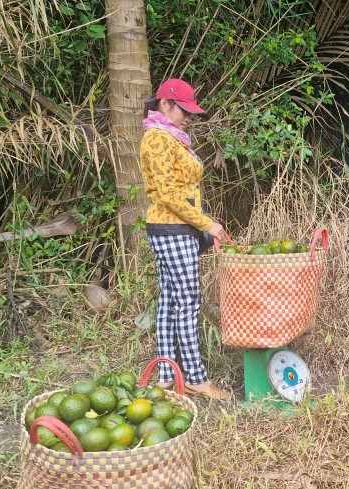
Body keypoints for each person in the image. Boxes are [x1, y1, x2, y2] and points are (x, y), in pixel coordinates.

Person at [140, 78, 230, 400]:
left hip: (172, 229)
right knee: (189, 302)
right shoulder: (158, 139)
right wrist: (209, 225)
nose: (189, 117)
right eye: (184, 110)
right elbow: (167, 194)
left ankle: (166, 376)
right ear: (164, 104)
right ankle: (195, 378)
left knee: (170, 300)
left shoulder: (170, 136)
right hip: (173, 230)